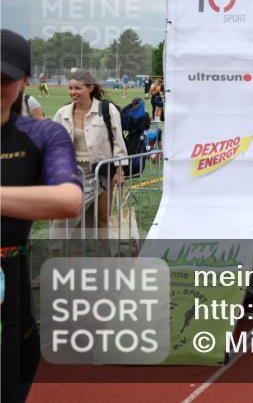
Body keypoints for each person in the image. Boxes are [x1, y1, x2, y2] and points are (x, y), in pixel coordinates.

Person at [1, 30, 83, 403]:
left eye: (4, 79)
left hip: (11, 281)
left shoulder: (42, 135)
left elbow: (68, 198)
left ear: (25, 81)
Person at [52, 70, 128, 232]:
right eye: (70, 88)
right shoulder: (62, 113)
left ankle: (104, 255)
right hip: (72, 174)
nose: (73, 92)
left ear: (90, 88)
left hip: (101, 174)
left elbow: (118, 142)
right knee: (63, 221)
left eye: (78, 88)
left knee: (101, 218)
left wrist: (120, 171)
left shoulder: (107, 110)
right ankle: (55, 255)